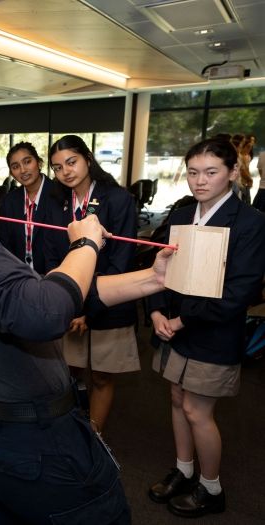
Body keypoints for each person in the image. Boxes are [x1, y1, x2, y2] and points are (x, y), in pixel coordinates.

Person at [0, 150, 173, 524]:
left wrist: (152, 278)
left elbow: (55, 293)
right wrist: (85, 244)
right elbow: (47, 311)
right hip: (31, 440)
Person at [147, 137, 265, 518]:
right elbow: (158, 270)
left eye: (211, 172)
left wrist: (182, 319)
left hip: (213, 331)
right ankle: (184, 470)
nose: (200, 181)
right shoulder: (182, 215)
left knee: (198, 411)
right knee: (177, 401)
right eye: (194, 172)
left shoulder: (251, 222)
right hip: (173, 327)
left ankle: (212, 488)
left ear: (232, 173)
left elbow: (241, 291)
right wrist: (155, 313)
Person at [45, 135, 139, 434]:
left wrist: (89, 308)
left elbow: (120, 261)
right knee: (67, 373)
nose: (66, 171)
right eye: (58, 167)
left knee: (101, 377)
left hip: (108, 303)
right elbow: (52, 255)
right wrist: (68, 303)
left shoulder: (118, 198)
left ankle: (94, 438)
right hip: (71, 304)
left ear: (87, 158)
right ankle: (71, 430)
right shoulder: (57, 202)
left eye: (71, 162)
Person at [0, 142, 53, 273]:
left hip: (53, 277)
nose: (23, 170)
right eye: (15, 166)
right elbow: (4, 244)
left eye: (27, 162)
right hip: (19, 277)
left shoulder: (59, 196)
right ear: (11, 173)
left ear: (39, 162)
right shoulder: (10, 201)